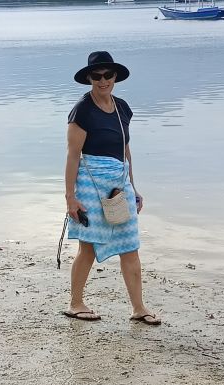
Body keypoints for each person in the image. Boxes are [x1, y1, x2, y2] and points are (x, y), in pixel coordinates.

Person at [63, 51, 160, 325]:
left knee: (131, 246)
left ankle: (139, 308)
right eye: (97, 76)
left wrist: (133, 187)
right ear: (89, 78)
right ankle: (75, 303)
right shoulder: (82, 110)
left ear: (115, 76)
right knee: (89, 247)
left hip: (119, 182)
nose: (103, 80)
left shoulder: (122, 108)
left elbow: (124, 149)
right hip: (90, 184)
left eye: (108, 75)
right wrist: (70, 198)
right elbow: (72, 155)